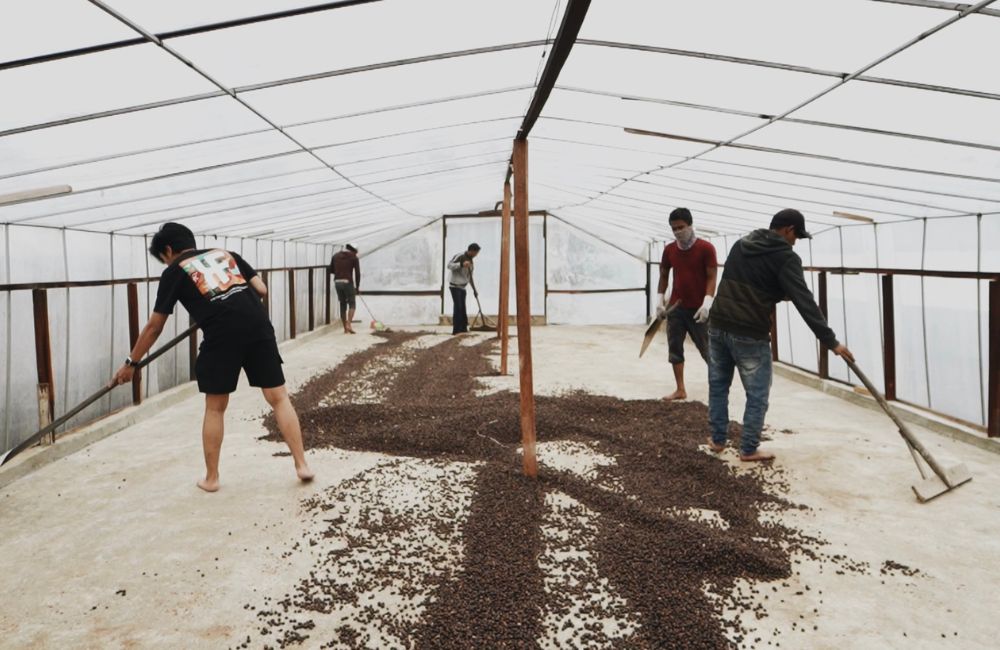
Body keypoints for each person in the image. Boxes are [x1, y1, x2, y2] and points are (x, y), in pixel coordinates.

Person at [111, 223, 314, 492]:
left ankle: (212, 478)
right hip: (258, 326)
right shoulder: (226, 254)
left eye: (164, 259)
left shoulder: (175, 271)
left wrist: (131, 363)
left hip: (222, 334)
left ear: (168, 250)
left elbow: (154, 326)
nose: (166, 263)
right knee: (278, 397)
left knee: (216, 406)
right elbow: (261, 290)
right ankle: (302, 465)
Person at [707, 209, 854, 461]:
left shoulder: (741, 244)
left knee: (719, 385)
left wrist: (777, 291)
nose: (795, 242)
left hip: (718, 323)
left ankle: (718, 440)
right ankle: (749, 448)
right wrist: (831, 342)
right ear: (788, 229)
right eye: (796, 235)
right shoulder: (786, 257)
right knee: (757, 393)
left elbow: (749, 280)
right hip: (749, 332)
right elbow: (804, 301)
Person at [655, 207, 717, 401]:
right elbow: (664, 275)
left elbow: (712, 276)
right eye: (674, 229)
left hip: (699, 309)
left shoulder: (706, 248)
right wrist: (659, 301)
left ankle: (718, 389)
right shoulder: (670, 250)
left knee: (709, 350)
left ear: (690, 225)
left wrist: (707, 303)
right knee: (675, 348)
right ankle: (680, 389)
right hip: (676, 307)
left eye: (681, 227)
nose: (678, 232)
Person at [446, 243, 480, 335]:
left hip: (462, 287)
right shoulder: (460, 256)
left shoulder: (471, 262)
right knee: (458, 307)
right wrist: (461, 264)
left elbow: (470, 278)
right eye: (476, 253)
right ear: (471, 251)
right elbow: (449, 265)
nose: (477, 255)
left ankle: (463, 329)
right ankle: (456, 330)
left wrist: (474, 289)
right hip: (455, 286)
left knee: (463, 308)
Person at [329, 243, 361, 334]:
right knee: (352, 304)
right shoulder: (354, 257)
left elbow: (331, 270)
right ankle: (349, 324)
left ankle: (345, 328)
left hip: (337, 282)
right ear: (354, 250)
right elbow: (357, 273)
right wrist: (357, 287)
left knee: (342, 304)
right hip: (347, 282)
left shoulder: (335, 256)